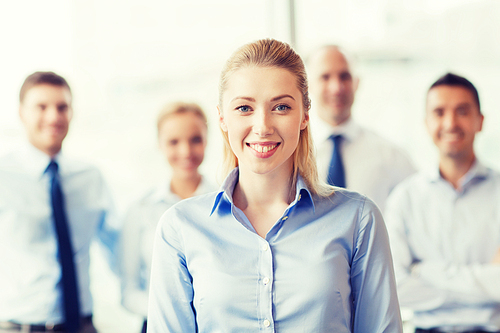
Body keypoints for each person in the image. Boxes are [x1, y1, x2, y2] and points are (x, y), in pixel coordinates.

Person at [147, 39, 402, 332]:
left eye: (281, 107)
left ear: (305, 114)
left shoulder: (358, 219)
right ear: (222, 118)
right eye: (244, 108)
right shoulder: (179, 228)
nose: (263, 126)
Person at [0, 72, 119, 333]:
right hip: (19, 326)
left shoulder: (90, 178)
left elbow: (119, 252)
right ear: (21, 113)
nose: (53, 117)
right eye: (41, 107)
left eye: (62, 107)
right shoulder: (3, 177)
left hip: (82, 325)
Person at [385, 73, 500, 332]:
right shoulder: (405, 199)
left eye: (462, 111)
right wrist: (485, 288)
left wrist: (425, 272)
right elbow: (396, 287)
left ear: (480, 121)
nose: (450, 123)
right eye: (439, 112)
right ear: (426, 123)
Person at [119, 102, 216, 333]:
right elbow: (128, 292)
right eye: (174, 142)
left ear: (207, 140)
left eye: (195, 139)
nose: (185, 151)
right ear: (159, 145)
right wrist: (172, 313)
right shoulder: (140, 210)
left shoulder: (226, 204)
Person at [307, 45, 415, 212]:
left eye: (345, 76)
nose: (336, 88)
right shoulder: (289, 156)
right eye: (325, 77)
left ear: (357, 83)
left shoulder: (391, 156)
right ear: (308, 86)